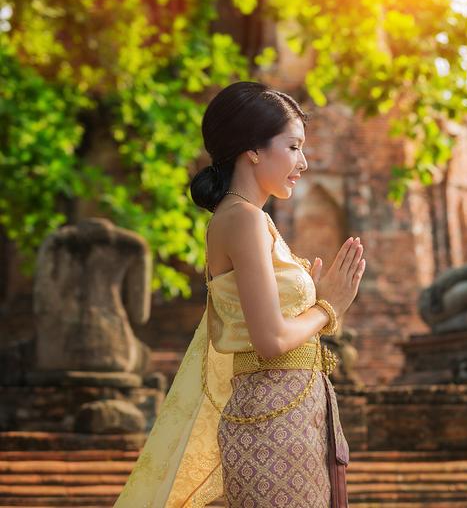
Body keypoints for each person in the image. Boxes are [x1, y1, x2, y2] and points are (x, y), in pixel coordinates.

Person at [114, 81, 365, 507]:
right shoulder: (243, 220)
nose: (303, 162)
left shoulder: (252, 221)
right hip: (274, 424)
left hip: (291, 415)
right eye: (293, 146)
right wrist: (328, 306)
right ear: (253, 149)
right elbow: (271, 340)